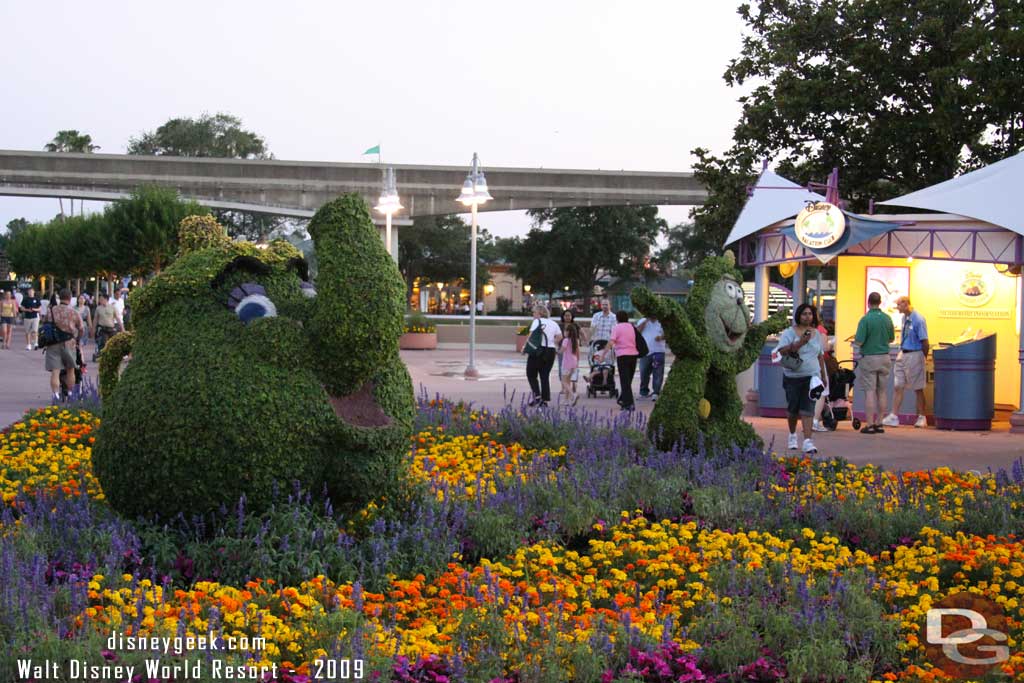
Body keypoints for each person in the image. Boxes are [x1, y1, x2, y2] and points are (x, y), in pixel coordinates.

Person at [774, 304, 828, 454]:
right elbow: (781, 351)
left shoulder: (816, 333)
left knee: (808, 409)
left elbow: (820, 355)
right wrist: (800, 342)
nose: (807, 317)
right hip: (793, 376)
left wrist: (823, 376)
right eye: (804, 314)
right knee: (793, 410)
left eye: (810, 314)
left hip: (812, 377)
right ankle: (792, 435)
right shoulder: (789, 333)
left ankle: (807, 441)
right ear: (798, 315)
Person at [883, 296, 929, 428]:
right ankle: (894, 415)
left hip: (915, 354)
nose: (897, 307)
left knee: (917, 387)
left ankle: (922, 416)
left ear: (906, 304)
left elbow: (925, 341)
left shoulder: (918, 320)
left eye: (899, 305)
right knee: (898, 385)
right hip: (903, 353)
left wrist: (922, 358)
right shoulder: (904, 318)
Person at [855, 291, 895, 434]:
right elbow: (891, 339)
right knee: (882, 391)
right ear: (880, 302)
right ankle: (880, 422)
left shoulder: (865, 319)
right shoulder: (887, 318)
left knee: (870, 391)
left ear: (868, 302)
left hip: (870, 358)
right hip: (885, 357)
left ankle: (870, 424)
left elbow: (859, 340)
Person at [45, 289, 85, 402]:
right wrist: (78, 339)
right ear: (70, 298)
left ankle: (56, 395)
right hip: (70, 344)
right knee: (70, 370)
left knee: (55, 371)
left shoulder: (51, 310)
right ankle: (71, 393)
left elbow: (45, 323)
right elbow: (81, 328)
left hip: (53, 343)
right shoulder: (74, 312)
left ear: (60, 297)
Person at [603, 310, 640, 411]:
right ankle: (623, 399)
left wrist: (603, 354)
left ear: (617, 318)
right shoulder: (632, 327)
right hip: (633, 355)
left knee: (625, 381)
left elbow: (611, 342)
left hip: (623, 356)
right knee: (628, 380)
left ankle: (629, 404)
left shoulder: (617, 328)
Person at [525, 303, 559, 407]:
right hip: (551, 351)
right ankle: (544, 399)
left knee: (531, 374)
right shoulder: (553, 323)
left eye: (534, 312)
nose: (533, 315)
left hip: (538, 351)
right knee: (544, 375)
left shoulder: (537, 322)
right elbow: (559, 337)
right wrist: (551, 341)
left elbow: (531, 336)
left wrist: (525, 348)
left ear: (540, 313)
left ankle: (537, 396)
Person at [637, 312, 666, 400]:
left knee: (658, 373)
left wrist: (661, 338)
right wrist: (646, 320)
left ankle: (656, 392)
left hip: (659, 351)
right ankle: (643, 391)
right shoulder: (643, 321)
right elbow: (637, 332)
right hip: (645, 351)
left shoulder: (662, 322)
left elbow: (669, 334)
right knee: (643, 372)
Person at [811, 310, 831, 432]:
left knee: (809, 393)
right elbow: (824, 347)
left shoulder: (801, 329)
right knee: (821, 392)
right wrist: (830, 346)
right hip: (818, 363)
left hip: (805, 364)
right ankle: (815, 420)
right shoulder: (820, 330)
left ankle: (810, 420)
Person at [558, 323, 581, 406]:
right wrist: (577, 362)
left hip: (566, 363)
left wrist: (557, 351)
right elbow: (578, 352)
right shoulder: (576, 341)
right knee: (568, 381)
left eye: (565, 330)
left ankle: (573, 395)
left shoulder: (566, 340)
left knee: (564, 381)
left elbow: (562, 350)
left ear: (568, 332)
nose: (564, 332)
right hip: (574, 362)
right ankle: (566, 400)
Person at [92, 292, 119, 359]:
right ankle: (103, 356)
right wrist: (93, 329)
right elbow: (95, 319)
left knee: (113, 343)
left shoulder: (112, 307)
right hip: (102, 328)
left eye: (102, 299)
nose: (100, 301)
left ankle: (112, 356)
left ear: (106, 299)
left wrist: (122, 327)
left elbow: (117, 318)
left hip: (111, 328)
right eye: (100, 299)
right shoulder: (98, 308)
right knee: (103, 342)